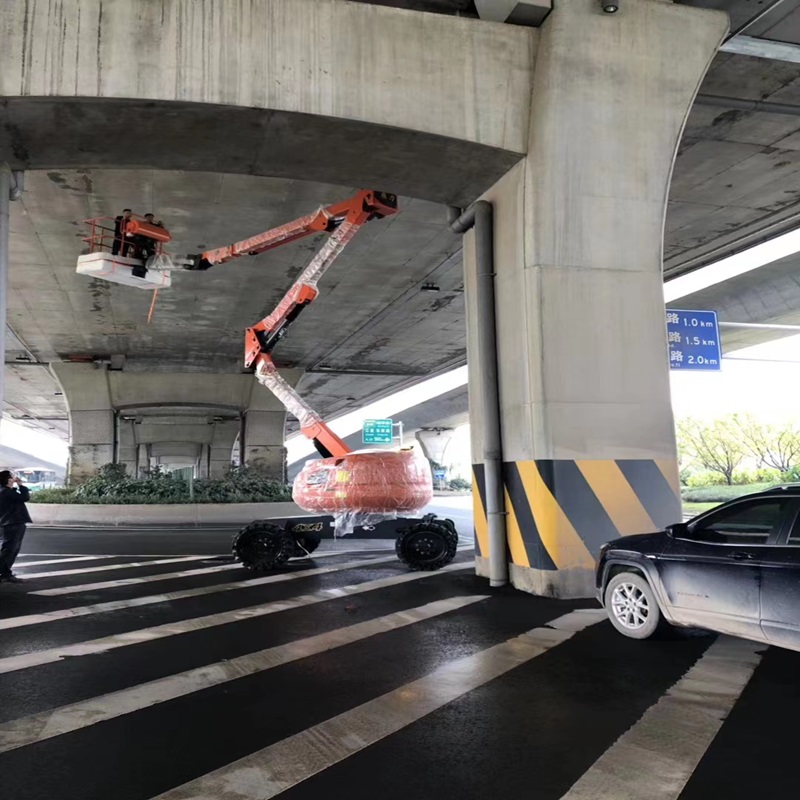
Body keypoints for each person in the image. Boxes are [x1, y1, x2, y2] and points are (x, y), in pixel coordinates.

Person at [0, 470, 32, 583]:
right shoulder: (5, 492)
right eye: (12, 476)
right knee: (10, 549)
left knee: (10, 549)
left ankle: (5, 572)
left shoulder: (6, 491)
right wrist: (21, 485)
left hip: (11, 523)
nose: (15, 477)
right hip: (12, 523)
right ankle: (4, 573)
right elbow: (25, 497)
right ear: (8, 479)